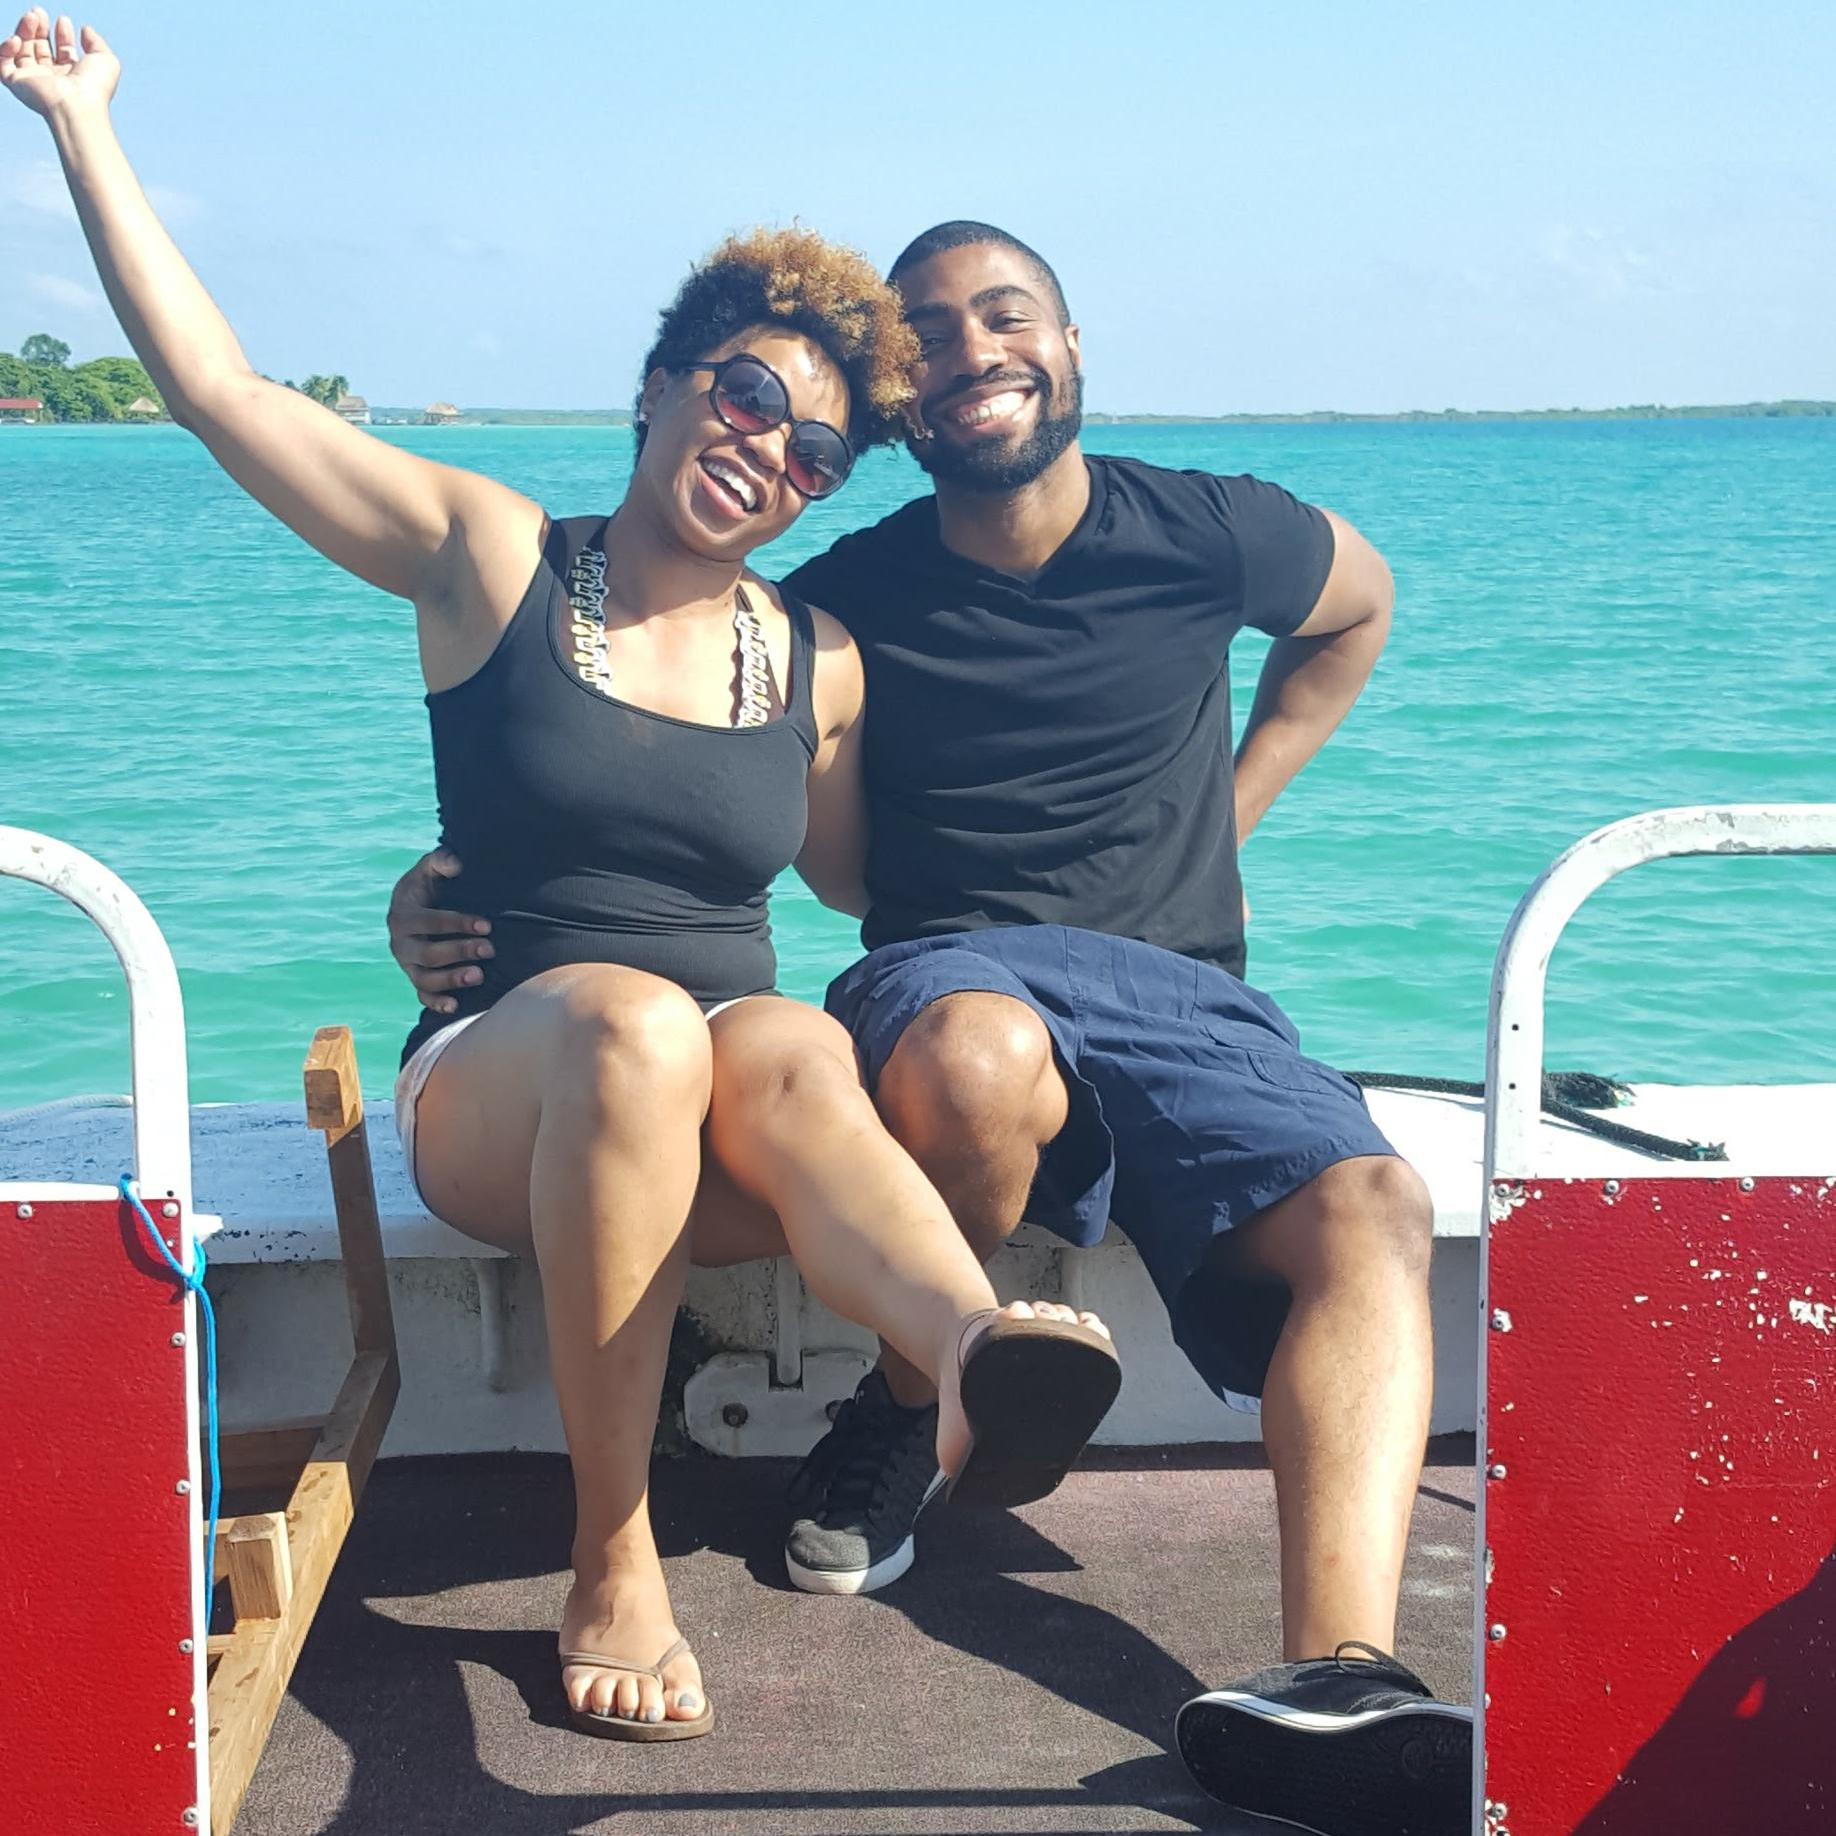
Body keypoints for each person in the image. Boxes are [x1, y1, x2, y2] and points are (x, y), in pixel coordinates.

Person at [2, 16, 1124, 1747]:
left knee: (790, 1039)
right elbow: (225, 396)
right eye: (747, 396)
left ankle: (976, 1358)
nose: (770, 450)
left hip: (726, 1137)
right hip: (504, 1103)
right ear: (662, 384)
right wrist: (81, 127)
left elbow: (876, 888)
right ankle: (614, 1552)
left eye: (817, 451)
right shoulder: (493, 560)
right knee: (631, 1024)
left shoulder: (818, 658)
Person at [393, 211, 1474, 1828]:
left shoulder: (1214, 529)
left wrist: (1235, 812)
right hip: (950, 965)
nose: (977, 351)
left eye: (1007, 314)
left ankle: (1340, 1678)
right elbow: (681, 766)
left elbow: (1360, 608)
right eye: (937, 335)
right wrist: (452, 884)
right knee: (973, 1061)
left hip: (1186, 986)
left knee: (1376, 1201)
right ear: (899, 411)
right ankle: (917, 1405)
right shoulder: (842, 599)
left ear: (1071, 342)